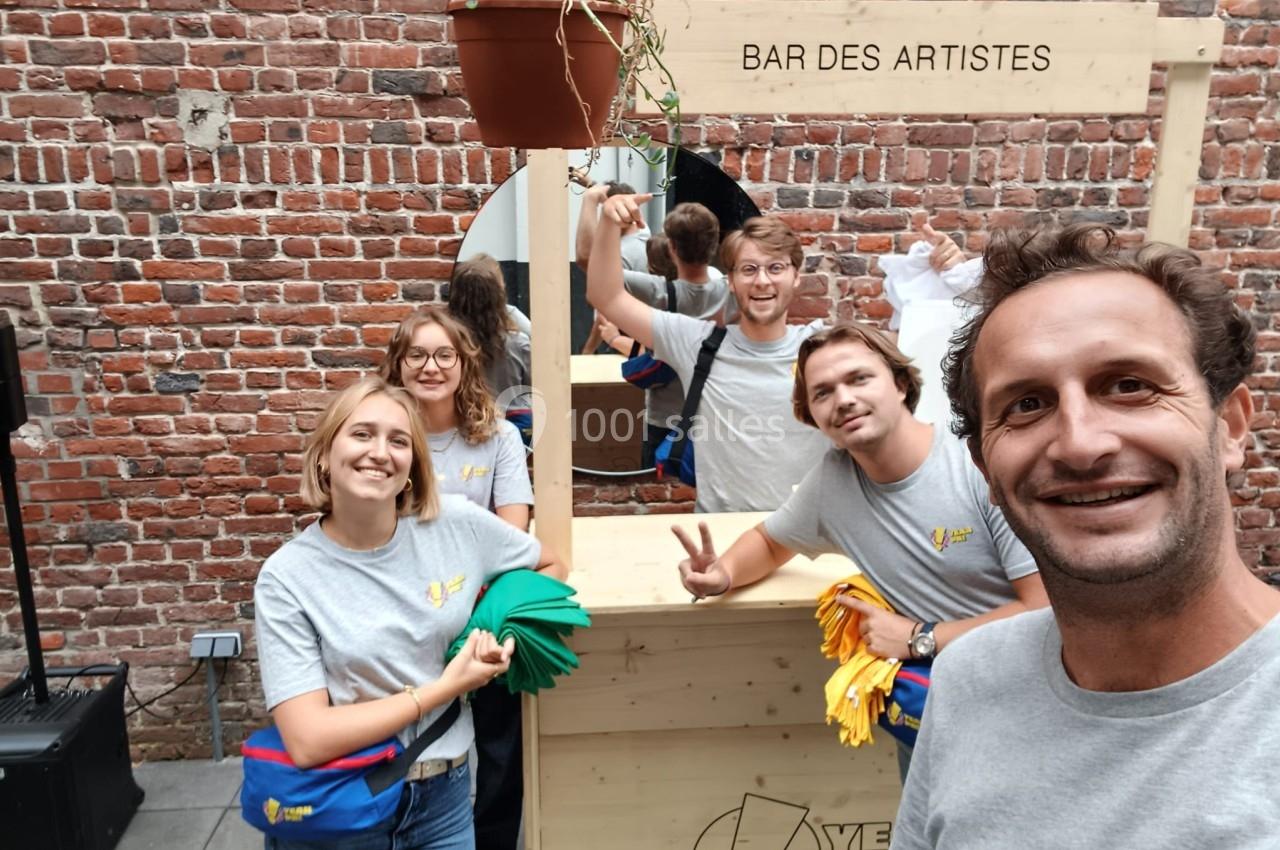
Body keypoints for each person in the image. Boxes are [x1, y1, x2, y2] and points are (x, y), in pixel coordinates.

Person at [891, 224, 1280, 847]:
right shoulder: (970, 680)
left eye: (1130, 385)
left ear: (1230, 426)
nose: (1079, 444)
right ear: (986, 468)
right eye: (1026, 405)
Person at [673, 321, 1046, 779]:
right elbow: (771, 542)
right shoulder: (833, 482)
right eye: (823, 392)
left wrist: (917, 638)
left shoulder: (978, 465)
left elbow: (1043, 611)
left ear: (900, 383)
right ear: (811, 415)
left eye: (858, 378)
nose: (843, 399)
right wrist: (722, 573)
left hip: (1027, 710)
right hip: (930, 714)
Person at [254, 377, 565, 850]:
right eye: (361, 434)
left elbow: (548, 564)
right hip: (341, 805)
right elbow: (308, 738)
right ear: (323, 456)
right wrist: (446, 688)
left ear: (412, 467)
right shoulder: (287, 577)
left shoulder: (457, 525)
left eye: (398, 441)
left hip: (444, 799)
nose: (380, 451)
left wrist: (503, 628)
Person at [379, 307, 533, 849]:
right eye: (416, 355)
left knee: (499, 748)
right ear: (397, 366)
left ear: (464, 364)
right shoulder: (383, 439)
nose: (431, 367)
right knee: (400, 740)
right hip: (397, 614)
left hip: (477, 612)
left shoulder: (498, 438)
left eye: (444, 354)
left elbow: (513, 536)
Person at [587, 193, 832, 511]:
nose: (761, 281)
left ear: (796, 276)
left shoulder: (824, 348)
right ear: (729, 281)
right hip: (722, 540)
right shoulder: (695, 342)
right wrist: (607, 222)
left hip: (805, 539)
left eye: (775, 268)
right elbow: (605, 296)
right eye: (748, 269)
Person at [591, 203, 736, 466]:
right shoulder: (733, 294)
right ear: (715, 245)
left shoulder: (656, 292)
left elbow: (590, 267)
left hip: (663, 421)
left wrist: (603, 216)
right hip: (713, 418)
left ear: (672, 248)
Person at [447, 256, 533, 441]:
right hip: (516, 422)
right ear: (499, 294)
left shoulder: (447, 342)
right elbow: (535, 382)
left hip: (465, 420)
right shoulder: (518, 342)